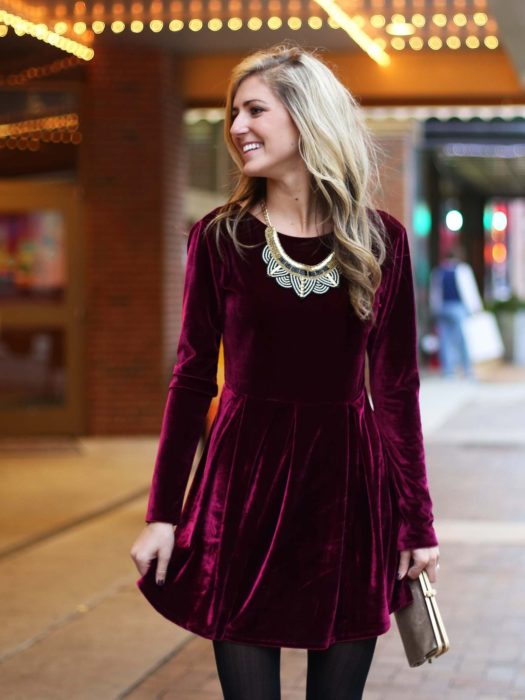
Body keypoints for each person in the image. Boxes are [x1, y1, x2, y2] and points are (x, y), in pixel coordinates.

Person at [130, 44, 439, 700]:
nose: (236, 126)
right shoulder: (220, 237)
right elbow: (190, 378)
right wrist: (164, 513)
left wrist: (416, 525)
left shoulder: (379, 238)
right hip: (241, 491)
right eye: (231, 113)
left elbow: (395, 390)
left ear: (304, 118)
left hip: (349, 492)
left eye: (254, 110)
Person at [429, 247, 483, 378]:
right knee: (463, 339)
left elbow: (434, 293)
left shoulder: (439, 271)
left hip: (443, 308)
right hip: (459, 308)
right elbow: (470, 290)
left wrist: (434, 309)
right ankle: (467, 369)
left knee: (445, 340)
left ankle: (448, 371)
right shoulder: (462, 270)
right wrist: (476, 308)